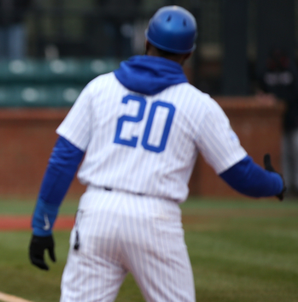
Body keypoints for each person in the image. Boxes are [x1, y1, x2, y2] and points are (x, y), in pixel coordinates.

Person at [28, 6, 285, 302]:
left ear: (147, 42)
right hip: (155, 219)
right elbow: (241, 175)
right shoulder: (198, 105)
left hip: (97, 211)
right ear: (188, 54)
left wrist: (42, 225)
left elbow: (63, 159)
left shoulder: (100, 88)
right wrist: (275, 183)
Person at [257, 48, 298, 196]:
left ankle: (296, 185)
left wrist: (279, 100)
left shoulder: (291, 71)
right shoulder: (266, 72)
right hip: (277, 124)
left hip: (293, 121)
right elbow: (260, 90)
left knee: (295, 152)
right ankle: (287, 186)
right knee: (284, 155)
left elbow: (293, 95)